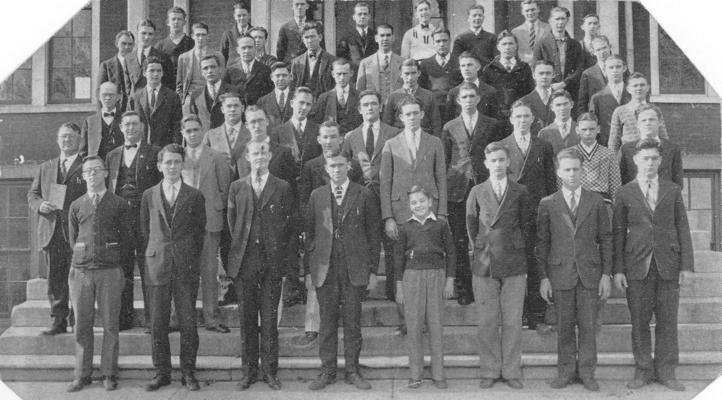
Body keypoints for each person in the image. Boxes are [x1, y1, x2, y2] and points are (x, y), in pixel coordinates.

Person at [613, 139, 694, 392]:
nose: (649, 163)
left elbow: (683, 227)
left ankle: (667, 372)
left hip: (668, 263)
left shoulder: (672, 190)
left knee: (667, 322)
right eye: (645, 158)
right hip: (636, 265)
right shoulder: (624, 192)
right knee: (639, 321)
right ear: (636, 160)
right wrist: (618, 269)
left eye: (654, 158)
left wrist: (686, 266)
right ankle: (643, 371)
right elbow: (617, 234)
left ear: (660, 161)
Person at [536, 148, 613, 392]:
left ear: (583, 171)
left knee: (589, 326)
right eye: (566, 169)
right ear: (559, 172)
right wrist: (544, 277)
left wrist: (606, 274)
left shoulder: (597, 201)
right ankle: (566, 372)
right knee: (565, 327)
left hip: (590, 272)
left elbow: (607, 239)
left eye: (576, 169)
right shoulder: (548, 203)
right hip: (560, 273)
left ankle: (588, 373)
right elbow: (542, 243)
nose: (571, 174)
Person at [305, 149, 380, 391]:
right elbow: (310, 235)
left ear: (348, 166)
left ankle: (352, 370)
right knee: (326, 322)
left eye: (340, 165)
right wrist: (309, 270)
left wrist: (372, 272)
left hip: (354, 267)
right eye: (332, 166)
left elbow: (373, 236)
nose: (336, 170)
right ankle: (327, 371)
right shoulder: (317, 195)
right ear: (326, 169)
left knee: (352, 321)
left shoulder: (364, 194)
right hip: (325, 268)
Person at [227, 140, 296, 391]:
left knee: (269, 319)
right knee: (246, 320)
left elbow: (289, 227)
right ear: (246, 156)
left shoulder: (282, 187)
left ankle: (269, 371)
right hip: (245, 262)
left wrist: (284, 262)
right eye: (254, 153)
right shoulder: (236, 187)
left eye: (263, 153)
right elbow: (231, 225)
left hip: (271, 262)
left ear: (269, 156)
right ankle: (249, 372)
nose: (259, 157)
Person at [465, 141, 533, 390]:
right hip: (485, 260)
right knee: (487, 320)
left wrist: (515, 246)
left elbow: (527, 226)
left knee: (513, 320)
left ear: (508, 163)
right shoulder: (477, 192)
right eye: (493, 161)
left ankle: (512, 370)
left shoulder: (520, 191)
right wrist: (481, 248)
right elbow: (471, 227)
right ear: (486, 164)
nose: (498, 165)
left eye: (502, 160)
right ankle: (490, 370)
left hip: (513, 260)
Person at [140, 144, 206, 392]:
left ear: (183, 165)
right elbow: (145, 231)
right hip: (157, 265)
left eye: (177, 162)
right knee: (157, 323)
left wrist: (187, 256)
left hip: (185, 266)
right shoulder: (149, 195)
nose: (172, 166)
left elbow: (199, 233)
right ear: (159, 166)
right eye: (167, 162)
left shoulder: (195, 196)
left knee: (188, 323)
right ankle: (161, 373)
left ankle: (188, 372)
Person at [380, 97, 447, 335]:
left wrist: (441, 212)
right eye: (407, 114)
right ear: (400, 117)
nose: (412, 117)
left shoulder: (435, 142)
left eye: (415, 113)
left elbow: (441, 178)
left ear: (422, 115)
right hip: (400, 212)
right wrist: (388, 216)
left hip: (428, 212)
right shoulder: (391, 144)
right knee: (401, 266)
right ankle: (406, 320)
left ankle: (428, 320)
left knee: (427, 263)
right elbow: (385, 182)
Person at [65, 156, 132, 392]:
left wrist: (113, 260)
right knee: (82, 324)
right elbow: (73, 239)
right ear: (83, 177)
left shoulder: (119, 204)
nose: (92, 175)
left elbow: (127, 239)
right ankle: (82, 374)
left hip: (110, 271)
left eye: (96, 170)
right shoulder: (76, 205)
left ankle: (108, 373)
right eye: (87, 171)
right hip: (82, 272)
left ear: (105, 173)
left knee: (111, 324)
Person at [498, 101, 555, 332]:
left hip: (536, 213)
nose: (522, 121)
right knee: (514, 266)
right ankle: (517, 316)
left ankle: (537, 317)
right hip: (511, 215)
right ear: (511, 119)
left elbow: (550, 182)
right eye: (518, 116)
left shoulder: (543, 146)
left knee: (536, 263)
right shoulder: (501, 147)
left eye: (526, 116)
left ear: (533, 120)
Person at [443, 83, 502, 305]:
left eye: (471, 96)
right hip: (457, 189)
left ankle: (487, 287)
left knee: (486, 237)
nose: (468, 100)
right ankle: (465, 290)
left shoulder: (492, 124)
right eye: (464, 97)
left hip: (483, 186)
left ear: (478, 99)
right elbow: (447, 159)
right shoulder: (449, 127)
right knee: (459, 241)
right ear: (458, 101)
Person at [28, 123, 87, 336]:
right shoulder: (46, 167)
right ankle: (58, 321)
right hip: (52, 231)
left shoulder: (86, 165)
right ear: (57, 140)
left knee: (79, 278)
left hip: (77, 231)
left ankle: (78, 321)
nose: (66, 140)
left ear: (79, 139)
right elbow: (33, 195)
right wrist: (40, 204)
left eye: (71, 137)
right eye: (63, 137)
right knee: (55, 279)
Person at [342, 90, 401, 302]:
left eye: (374, 104)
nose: (370, 108)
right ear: (359, 109)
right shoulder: (351, 137)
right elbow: (345, 168)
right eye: (365, 105)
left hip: (386, 196)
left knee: (391, 244)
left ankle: (394, 291)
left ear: (380, 107)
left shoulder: (393, 133)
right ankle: (362, 288)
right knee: (363, 243)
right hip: (360, 200)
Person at [105, 111, 162, 331]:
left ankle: (152, 319)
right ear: (120, 128)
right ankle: (124, 318)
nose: (130, 128)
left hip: (146, 217)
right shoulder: (112, 155)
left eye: (135, 124)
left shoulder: (154, 152)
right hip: (121, 219)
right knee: (123, 269)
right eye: (127, 124)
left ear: (142, 127)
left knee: (149, 267)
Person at [394, 185, 455, 389]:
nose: (418, 205)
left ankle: (438, 374)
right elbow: (397, 259)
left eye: (422, 201)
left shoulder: (441, 225)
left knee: (436, 324)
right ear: (409, 205)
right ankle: (416, 373)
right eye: (414, 202)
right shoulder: (405, 227)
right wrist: (399, 286)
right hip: (412, 277)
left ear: (430, 202)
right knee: (414, 326)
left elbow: (452, 253)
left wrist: (450, 279)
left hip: (436, 275)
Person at [180, 115, 232, 334]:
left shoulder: (217, 157)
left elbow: (224, 189)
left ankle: (211, 317)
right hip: (183, 225)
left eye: (196, 130)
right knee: (183, 272)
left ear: (203, 131)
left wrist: (214, 209)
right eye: (188, 130)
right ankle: (184, 317)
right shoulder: (177, 157)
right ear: (183, 133)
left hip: (209, 221)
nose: (192, 134)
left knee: (210, 272)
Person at [236, 106, 299, 191]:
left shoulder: (283, 152)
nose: (257, 125)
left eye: (260, 120)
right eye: (253, 122)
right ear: (247, 125)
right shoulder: (239, 154)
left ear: (267, 122)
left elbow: (291, 189)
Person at [619, 105, 683, 187]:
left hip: (664, 197)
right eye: (643, 120)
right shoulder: (626, 150)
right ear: (637, 124)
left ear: (660, 122)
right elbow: (622, 181)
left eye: (651, 119)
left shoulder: (672, 148)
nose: (647, 123)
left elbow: (678, 182)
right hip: (635, 197)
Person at [532, 7, 584, 101]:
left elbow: (579, 68)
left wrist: (564, 83)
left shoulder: (575, 44)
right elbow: (535, 68)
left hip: (570, 90)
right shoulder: (541, 44)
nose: (560, 22)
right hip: (548, 89)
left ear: (567, 20)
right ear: (550, 21)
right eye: (557, 19)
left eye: (563, 19)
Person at [129, 56, 182, 146]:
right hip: (141, 147)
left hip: (164, 148)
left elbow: (177, 126)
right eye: (152, 71)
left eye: (159, 71)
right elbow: (129, 123)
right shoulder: (135, 97)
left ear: (162, 73)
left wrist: (175, 148)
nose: (156, 74)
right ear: (144, 73)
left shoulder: (172, 97)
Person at [608, 73, 669, 152]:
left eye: (642, 85)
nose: (639, 88)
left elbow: (663, 136)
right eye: (635, 86)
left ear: (647, 88)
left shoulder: (655, 110)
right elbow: (613, 142)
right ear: (628, 89)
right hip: (628, 155)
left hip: (651, 155)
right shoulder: (620, 111)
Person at [481, 31, 535, 120]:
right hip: (495, 117)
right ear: (498, 47)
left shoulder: (524, 68)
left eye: (510, 43)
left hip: (519, 117)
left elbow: (530, 94)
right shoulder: (489, 69)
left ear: (516, 46)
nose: (507, 47)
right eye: (504, 44)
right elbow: (485, 97)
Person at [570, 113, 621, 205]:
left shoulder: (609, 154)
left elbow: (615, 186)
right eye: (584, 129)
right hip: (577, 202)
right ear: (577, 130)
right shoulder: (570, 153)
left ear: (598, 129)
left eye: (592, 129)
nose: (588, 133)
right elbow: (562, 184)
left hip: (602, 202)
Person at [383, 58, 442, 137]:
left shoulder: (429, 96)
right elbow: (387, 125)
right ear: (401, 74)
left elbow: (436, 125)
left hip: (424, 139)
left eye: (413, 73)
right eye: (406, 74)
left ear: (419, 73)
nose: (410, 78)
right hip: (400, 139)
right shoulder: (393, 97)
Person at [418, 28, 461, 125]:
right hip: (433, 109)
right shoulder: (425, 64)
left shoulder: (459, 62)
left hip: (454, 109)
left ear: (450, 41)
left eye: (445, 40)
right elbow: (421, 89)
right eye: (438, 41)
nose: (441, 44)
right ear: (433, 43)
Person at [310, 58, 363, 135]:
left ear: (351, 73)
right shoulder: (324, 97)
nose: (342, 78)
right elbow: (317, 122)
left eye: (345, 74)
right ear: (333, 74)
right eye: (339, 74)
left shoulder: (360, 96)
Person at [176, 23, 225, 103]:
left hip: (212, 96)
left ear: (208, 36)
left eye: (203, 35)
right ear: (192, 36)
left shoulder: (218, 56)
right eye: (198, 35)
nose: (200, 38)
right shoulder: (184, 58)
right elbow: (179, 85)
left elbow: (223, 79)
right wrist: (183, 101)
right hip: (191, 98)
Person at [275, 86, 323, 167]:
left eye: (308, 104)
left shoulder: (319, 130)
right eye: (301, 102)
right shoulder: (278, 132)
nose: (304, 107)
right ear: (292, 103)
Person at [356, 23, 403, 104]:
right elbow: (360, 91)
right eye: (382, 35)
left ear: (393, 38)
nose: (385, 38)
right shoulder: (365, 63)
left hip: (396, 108)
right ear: (376, 38)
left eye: (388, 35)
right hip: (374, 108)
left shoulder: (402, 62)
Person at [589, 55, 630, 146]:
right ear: (605, 70)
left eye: (618, 67)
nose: (615, 70)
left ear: (624, 68)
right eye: (611, 67)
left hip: (630, 144)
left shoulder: (632, 94)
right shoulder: (597, 98)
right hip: (606, 144)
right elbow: (593, 125)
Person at [203, 91, 250, 171]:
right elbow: (204, 163)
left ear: (242, 108)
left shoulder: (252, 134)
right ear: (222, 109)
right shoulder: (210, 136)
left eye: (236, 106)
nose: (232, 109)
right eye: (229, 106)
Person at [184, 54, 233, 131]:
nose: (209, 71)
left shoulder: (233, 91)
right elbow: (193, 122)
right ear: (202, 73)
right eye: (205, 68)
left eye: (213, 67)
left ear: (220, 69)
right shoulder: (196, 95)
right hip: (205, 139)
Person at [98, 31, 141, 112]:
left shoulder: (138, 65)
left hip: (133, 111)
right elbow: (99, 93)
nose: (127, 47)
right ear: (117, 44)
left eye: (130, 44)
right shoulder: (106, 66)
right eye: (123, 43)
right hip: (114, 111)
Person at [224, 35, 273, 105]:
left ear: (255, 49)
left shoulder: (265, 70)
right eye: (243, 48)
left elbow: (269, 95)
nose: (247, 51)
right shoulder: (230, 70)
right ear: (238, 50)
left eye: (250, 47)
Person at [447, 52, 498, 119]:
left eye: (469, 65)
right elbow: (450, 121)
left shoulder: (490, 91)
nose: (466, 69)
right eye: (463, 66)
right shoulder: (453, 93)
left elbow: (495, 120)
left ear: (478, 67)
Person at [291, 22, 335, 99]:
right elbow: (293, 87)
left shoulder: (332, 60)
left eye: (312, 37)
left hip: (324, 104)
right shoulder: (296, 62)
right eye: (306, 37)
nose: (310, 40)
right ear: (303, 40)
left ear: (320, 37)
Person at [154, 6, 195, 90]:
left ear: (184, 22)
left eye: (179, 19)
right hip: (166, 88)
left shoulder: (192, 43)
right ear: (168, 22)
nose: (176, 22)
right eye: (173, 19)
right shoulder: (160, 46)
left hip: (187, 88)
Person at [81, 82, 124, 159]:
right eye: (104, 95)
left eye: (111, 95)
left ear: (118, 97)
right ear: (98, 97)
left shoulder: (124, 119)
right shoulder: (89, 121)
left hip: (119, 165)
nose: (107, 98)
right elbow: (83, 151)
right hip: (97, 166)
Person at [336, 1, 377, 78]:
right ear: (354, 17)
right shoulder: (346, 37)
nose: (362, 16)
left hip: (373, 76)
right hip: (354, 77)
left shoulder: (376, 35)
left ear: (369, 16)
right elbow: (342, 60)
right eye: (359, 14)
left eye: (365, 14)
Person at [577, 35, 613, 116]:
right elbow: (582, 103)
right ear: (592, 52)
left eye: (604, 48)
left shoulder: (620, 68)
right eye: (598, 50)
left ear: (610, 47)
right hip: (597, 117)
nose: (602, 52)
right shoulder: (588, 74)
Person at [134, 19, 173, 90]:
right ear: (137, 33)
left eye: (150, 34)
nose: (146, 37)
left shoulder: (163, 57)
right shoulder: (128, 58)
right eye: (143, 33)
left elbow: (169, 84)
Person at [519, 60, 556, 135]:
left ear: (553, 75)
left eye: (548, 73)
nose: (544, 76)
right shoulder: (524, 101)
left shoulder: (561, 98)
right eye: (541, 73)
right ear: (534, 75)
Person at [538, 90, 580, 155]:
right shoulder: (544, 133)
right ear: (552, 107)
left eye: (565, 104)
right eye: (558, 105)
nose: (562, 108)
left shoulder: (582, 129)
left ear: (571, 104)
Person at [257, 62, 294, 128]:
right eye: (277, 75)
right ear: (271, 77)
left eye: (284, 75)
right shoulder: (263, 101)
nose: (281, 78)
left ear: (290, 76)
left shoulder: (297, 98)